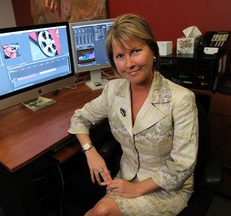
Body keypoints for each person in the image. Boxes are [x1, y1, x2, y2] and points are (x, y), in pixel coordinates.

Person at [68, 13, 198, 216]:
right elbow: (79, 118)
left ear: (152, 51)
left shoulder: (181, 99)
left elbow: (182, 166)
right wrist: (90, 152)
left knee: (101, 211)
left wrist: (137, 189)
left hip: (167, 187)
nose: (129, 64)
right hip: (125, 178)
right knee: (97, 212)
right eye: (120, 56)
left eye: (135, 51)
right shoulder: (113, 90)